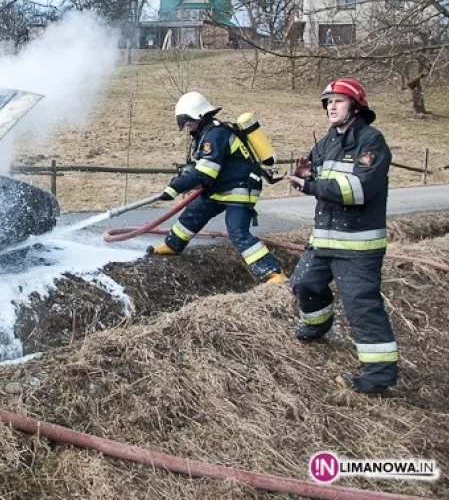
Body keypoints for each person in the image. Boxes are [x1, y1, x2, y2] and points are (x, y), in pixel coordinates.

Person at [285, 77, 397, 394]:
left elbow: (358, 190)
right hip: (324, 241)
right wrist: (307, 174)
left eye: (338, 101)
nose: (331, 106)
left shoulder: (371, 142)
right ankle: (318, 324)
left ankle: (378, 376)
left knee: (361, 307)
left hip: (358, 248)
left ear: (356, 106)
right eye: (328, 102)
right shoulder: (326, 142)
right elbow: (319, 175)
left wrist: (311, 185)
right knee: (304, 283)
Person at [149, 91, 287, 284]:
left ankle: (273, 273)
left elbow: (206, 172)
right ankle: (173, 245)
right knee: (192, 215)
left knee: (237, 231)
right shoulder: (205, 133)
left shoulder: (215, 135)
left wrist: (175, 187)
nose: (187, 128)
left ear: (199, 116)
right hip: (219, 188)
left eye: (188, 122)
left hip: (240, 187)